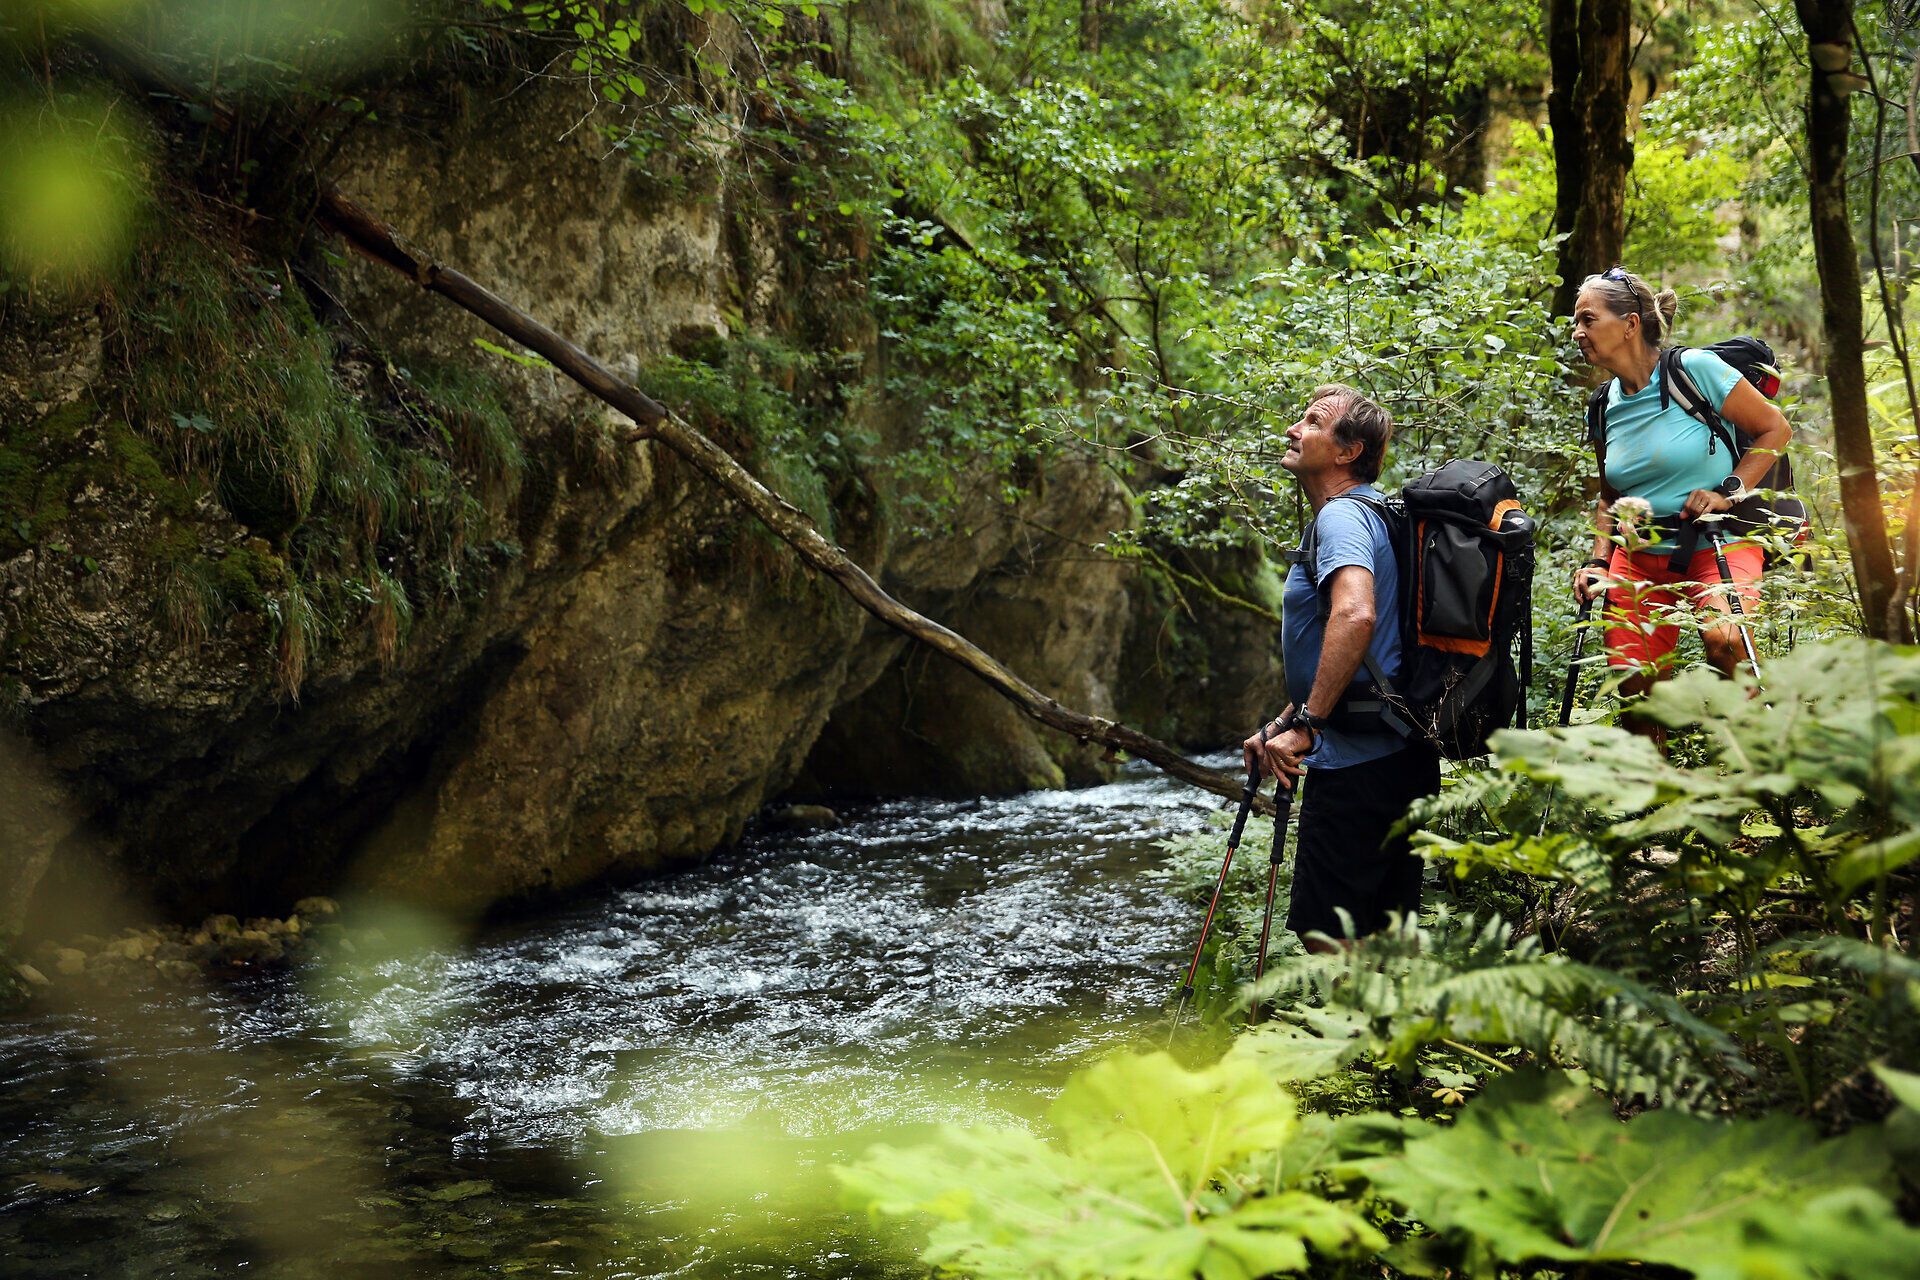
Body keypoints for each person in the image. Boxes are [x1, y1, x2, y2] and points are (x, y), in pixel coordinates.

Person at [1240, 385, 1440, 952]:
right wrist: (1286, 721)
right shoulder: (1378, 514)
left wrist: (1309, 723)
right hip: (1399, 749)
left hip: (1358, 761)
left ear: (1348, 451)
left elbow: (1355, 615)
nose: (1293, 431)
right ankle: (1391, 1038)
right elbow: (1368, 651)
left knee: (1328, 934)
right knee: (1380, 933)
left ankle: (1354, 1039)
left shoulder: (1343, 519)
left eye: (1312, 422)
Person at [1568, 268, 1791, 701]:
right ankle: (1655, 767)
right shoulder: (1602, 405)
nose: (1578, 333)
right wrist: (1598, 561)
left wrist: (1729, 491)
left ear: (1631, 324)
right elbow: (1609, 497)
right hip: (1635, 558)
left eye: (1588, 320)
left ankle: (1761, 754)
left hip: (1717, 541)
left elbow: (1774, 429)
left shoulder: (1694, 369)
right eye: (1575, 323)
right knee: (1636, 690)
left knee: (1726, 643)